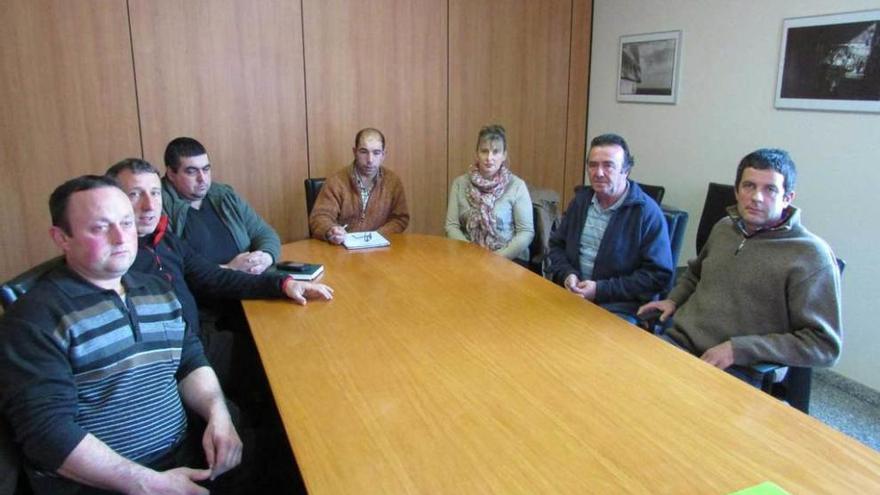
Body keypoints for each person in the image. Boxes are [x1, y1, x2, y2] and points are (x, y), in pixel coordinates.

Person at [0, 176, 241, 494]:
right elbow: (47, 434)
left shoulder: (156, 289)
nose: (121, 238)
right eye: (100, 228)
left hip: (186, 454)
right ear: (62, 238)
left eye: (126, 223)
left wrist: (218, 414)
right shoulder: (33, 319)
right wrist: (148, 484)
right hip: (109, 483)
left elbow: (188, 360)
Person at [106, 158, 334, 387]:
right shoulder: (113, 260)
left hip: (195, 343)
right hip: (169, 365)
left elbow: (214, 277)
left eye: (155, 193)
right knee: (272, 369)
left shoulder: (166, 240)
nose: (149, 205)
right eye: (135, 194)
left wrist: (284, 285)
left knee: (282, 349)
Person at [638, 149, 842, 385]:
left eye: (770, 189)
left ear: (788, 197)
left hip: (737, 369)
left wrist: (739, 349)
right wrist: (673, 300)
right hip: (678, 342)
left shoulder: (809, 255)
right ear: (737, 191)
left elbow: (824, 345)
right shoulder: (725, 228)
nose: (756, 197)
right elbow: (695, 273)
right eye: (749, 186)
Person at [546, 133, 673, 322]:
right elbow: (556, 246)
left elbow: (657, 276)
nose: (598, 173)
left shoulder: (646, 213)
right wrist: (567, 274)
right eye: (593, 165)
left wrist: (599, 290)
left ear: (626, 170)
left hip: (617, 307)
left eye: (608, 165)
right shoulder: (580, 202)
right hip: (571, 297)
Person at [162, 137, 281, 275]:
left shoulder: (223, 196)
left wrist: (265, 258)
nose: (202, 179)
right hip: (204, 292)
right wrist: (228, 269)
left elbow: (264, 233)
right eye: (192, 171)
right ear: (171, 174)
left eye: (206, 169)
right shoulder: (158, 208)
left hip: (248, 282)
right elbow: (170, 268)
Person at [445, 125, 535, 261]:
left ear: (504, 155)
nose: (489, 158)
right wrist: (472, 254)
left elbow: (526, 232)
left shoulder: (517, 186)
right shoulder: (460, 184)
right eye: (484, 151)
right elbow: (451, 226)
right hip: (467, 257)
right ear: (477, 154)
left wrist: (496, 258)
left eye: (496, 152)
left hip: (508, 260)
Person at [309, 128, 409, 244]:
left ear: (383, 155)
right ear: (354, 152)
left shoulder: (393, 182)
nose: (370, 160)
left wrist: (377, 235)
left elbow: (400, 218)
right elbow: (319, 217)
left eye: (376, 153)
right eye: (363, 152)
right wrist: (331, 230)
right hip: (342, 249)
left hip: (380, 248)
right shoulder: (336, 181)